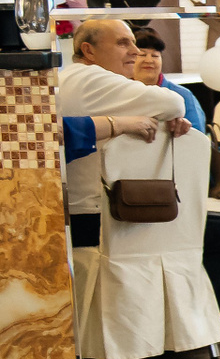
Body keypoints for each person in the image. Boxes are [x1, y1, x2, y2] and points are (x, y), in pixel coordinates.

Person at [130, 27, 220, 313]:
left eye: (155, 54)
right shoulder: (119, 96)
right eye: (142, 54)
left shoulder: (181, 97)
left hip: (174, 191)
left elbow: (195, 150)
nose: (149, 60)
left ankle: (207, 311)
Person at [55, 19, 190, 251]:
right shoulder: (92, 78)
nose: (135, 51)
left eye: (133, 43)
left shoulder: (71, 77)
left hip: (84, 208)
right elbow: (174, 103)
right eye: (123, 43)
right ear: (89, 50)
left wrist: (159, 115)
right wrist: (165, 114)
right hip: (96, 213)